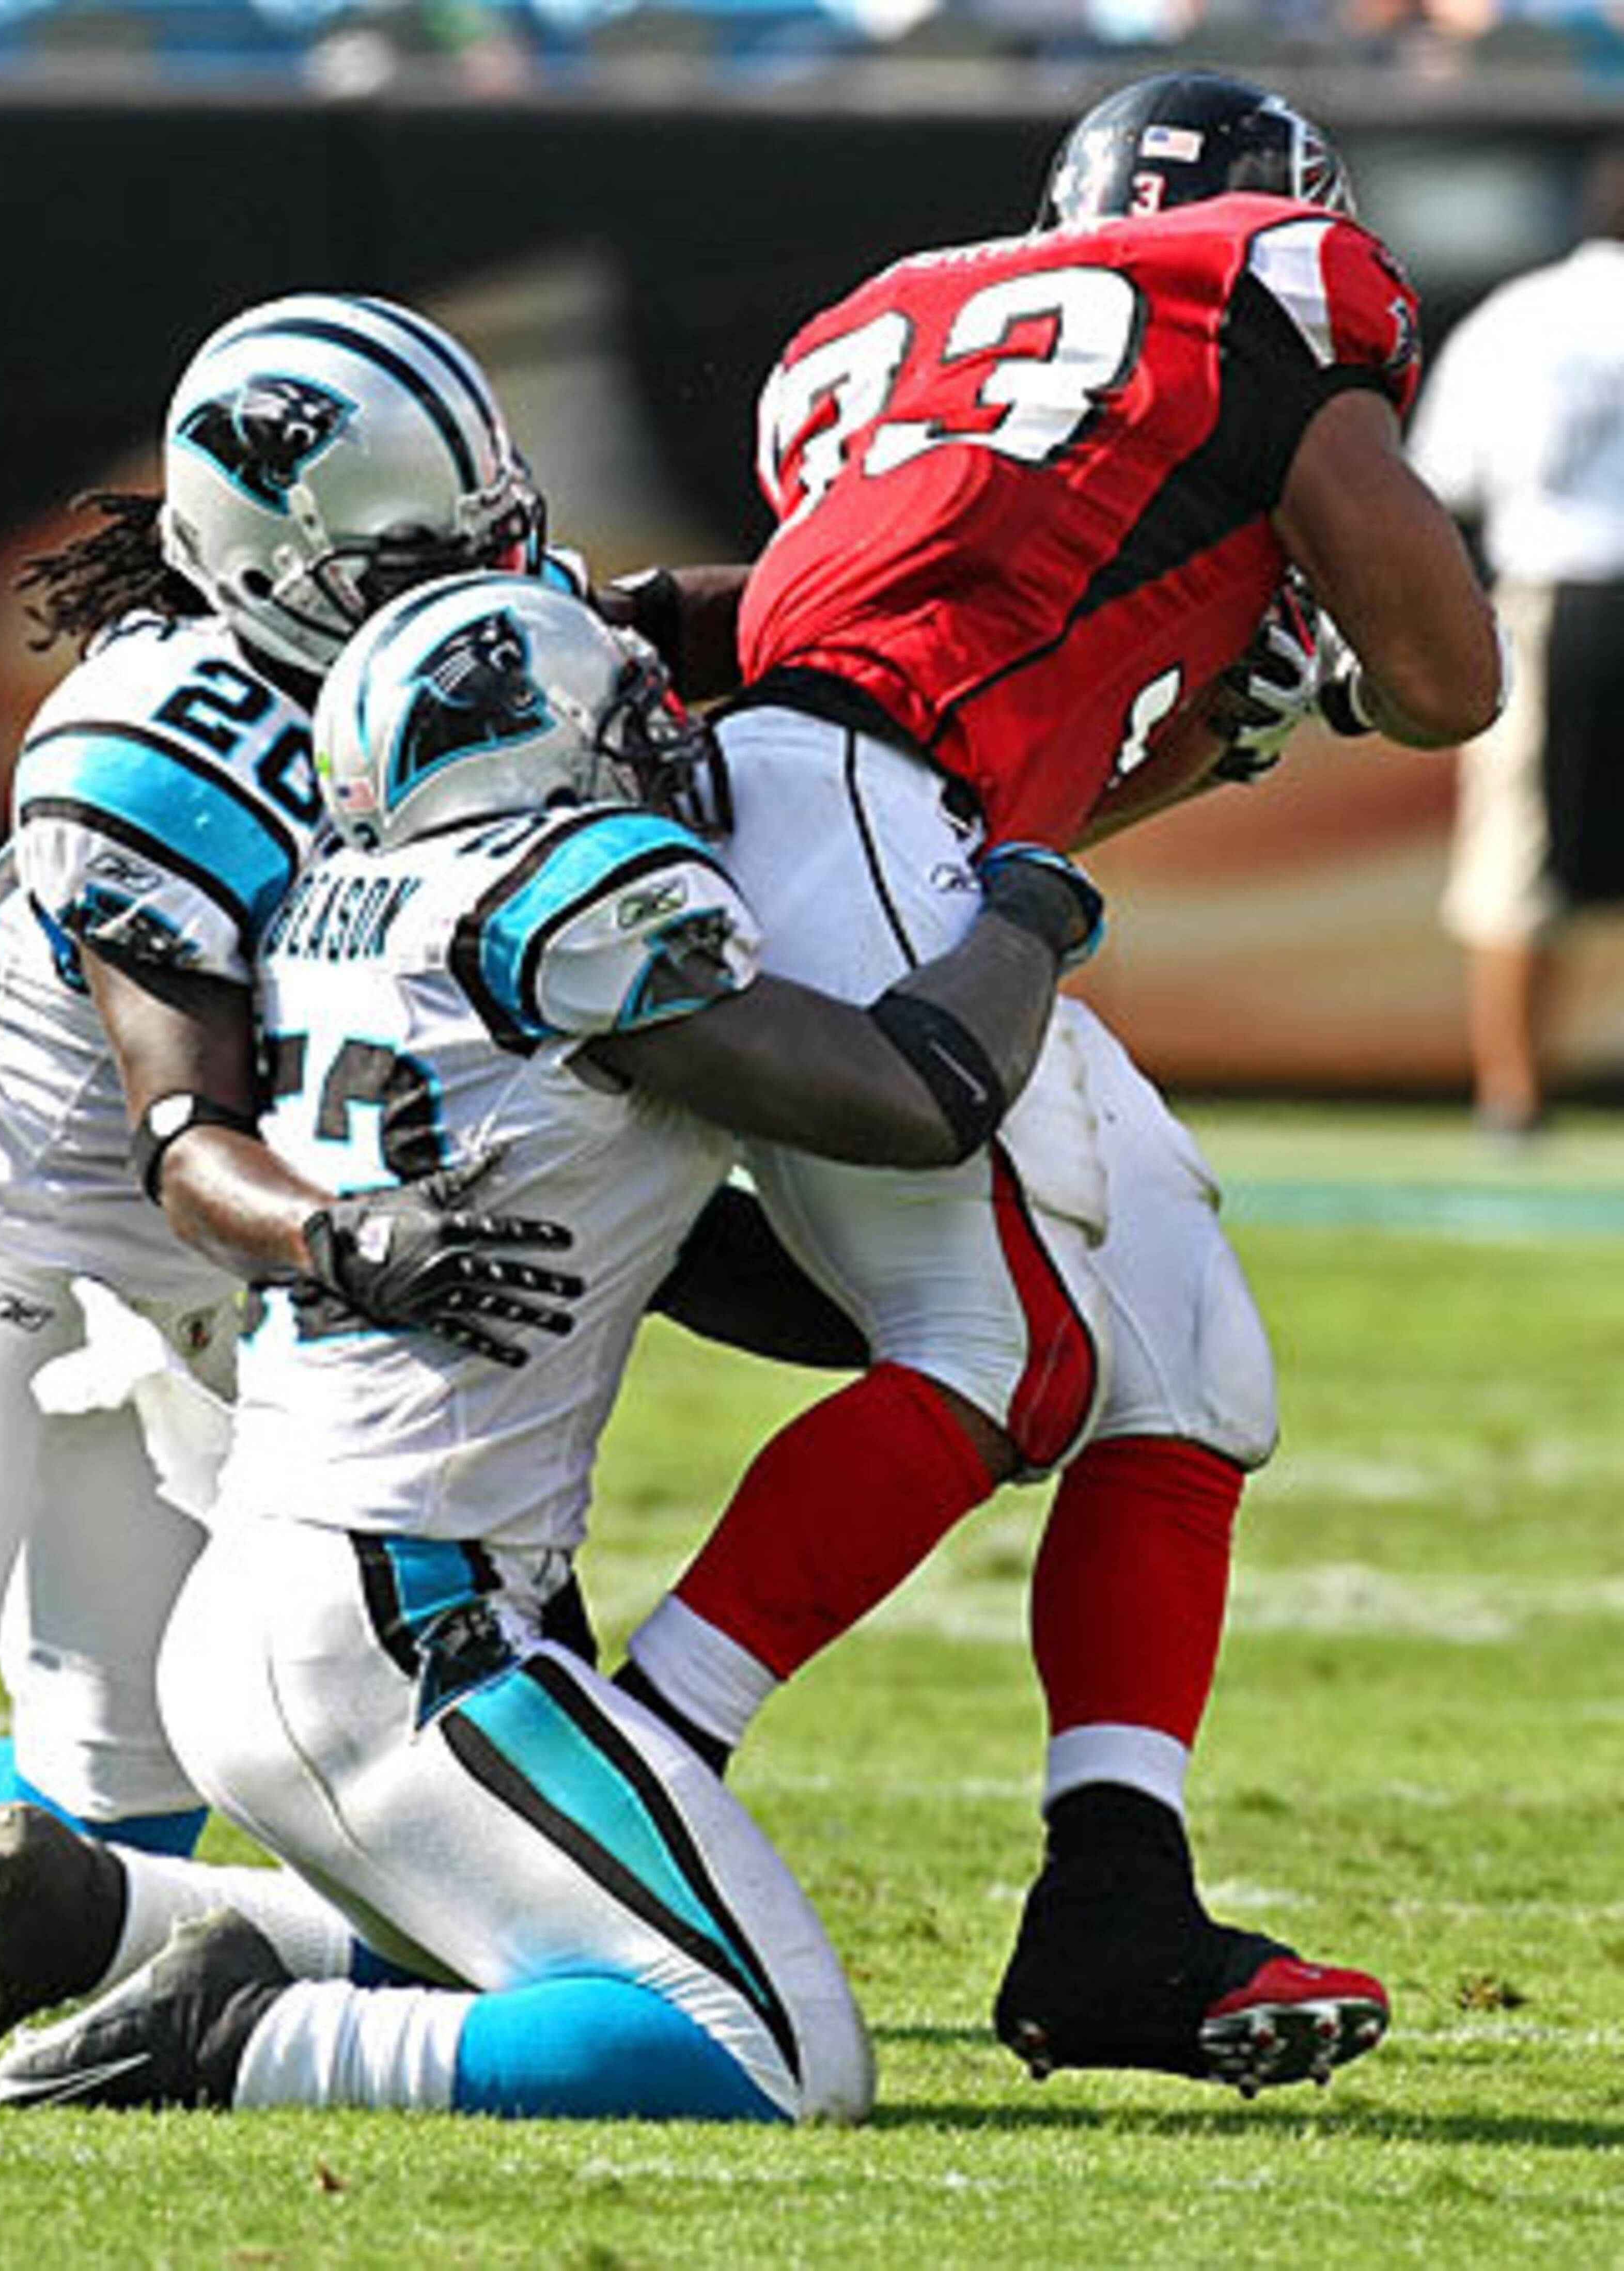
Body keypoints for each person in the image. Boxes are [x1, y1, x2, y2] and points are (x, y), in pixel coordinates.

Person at [0, 572, 1105, 2120]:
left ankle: (95, 1912)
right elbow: (919, 1090)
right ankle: (232, 2046)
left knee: (530, 1944)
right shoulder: (571, 898)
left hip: (303, 1585)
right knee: (770, 2047)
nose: (662, 741)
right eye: (627, 715)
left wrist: (935, 1332)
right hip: (404, 1619)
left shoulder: (347, 911)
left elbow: (670, 1249)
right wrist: (1035, 899)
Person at [603, 70, 1505, 2095]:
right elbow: (1455, 682)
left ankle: (1115, 1899)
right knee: (995, 1342)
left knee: (1183, 1349)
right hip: (857, 795)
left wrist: (1218, 706)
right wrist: (1343, 679)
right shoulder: (1277, 304)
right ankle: (631, 1756)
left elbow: (1018, 746)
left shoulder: (899, 336)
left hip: (830, 789)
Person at [0, 293, 596, 2048]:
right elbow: (183, 1135)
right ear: (280, 567)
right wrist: (349, 1236)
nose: (499, 583)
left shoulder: (452, 638)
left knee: (109, 1845)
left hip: (188, 1304)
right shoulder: (145, 748)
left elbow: (671, 624)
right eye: (429, 560)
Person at [1409, 138, 1624, 1142]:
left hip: (1551, 594)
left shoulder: (1521, 317)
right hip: (1570, 584)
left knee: (1520, 859)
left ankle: (1513, 1095)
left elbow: (1445, 482)